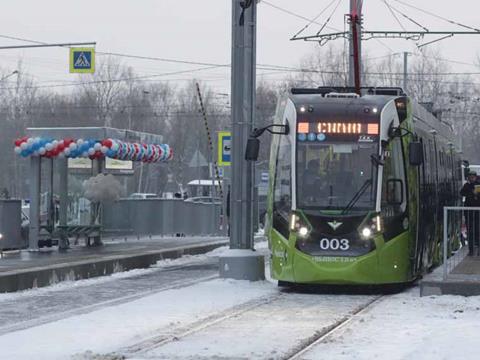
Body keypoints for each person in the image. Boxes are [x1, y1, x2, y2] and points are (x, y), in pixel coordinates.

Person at [460, 170, 480, 256]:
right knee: (470, 231)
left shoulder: (479, 185)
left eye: (473, 177)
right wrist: (470, 193)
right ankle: (471, 250)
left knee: (478, 231)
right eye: (470, 177)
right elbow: (461, 193)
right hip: (469, 212)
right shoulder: (467, 186)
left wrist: (477, 193)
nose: (472, 178)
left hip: (478, 213)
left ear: (475, 177)